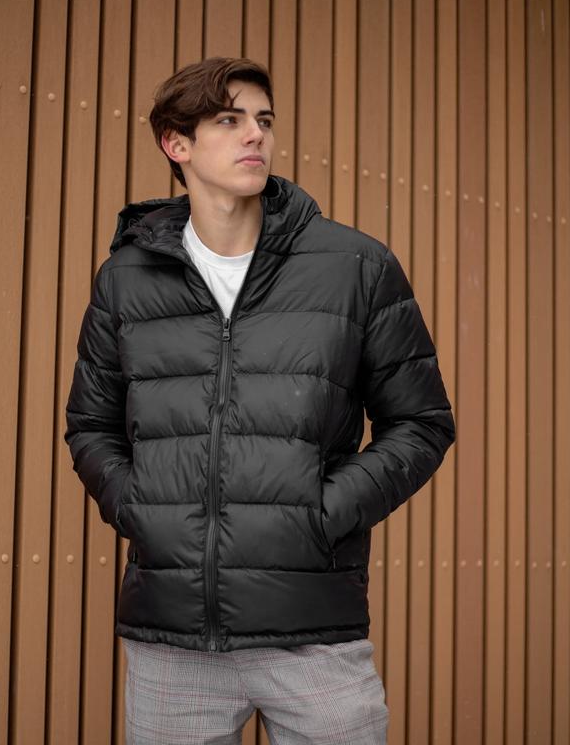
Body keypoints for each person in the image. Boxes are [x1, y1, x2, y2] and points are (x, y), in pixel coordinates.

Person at [64, 56, 456, 745]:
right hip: (174, 640)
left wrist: (321, 514)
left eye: (264, 120)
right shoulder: (126, 278)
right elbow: (91, 425)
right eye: (229, 119)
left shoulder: (355, 268)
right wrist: (139, 509)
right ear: (177, 144)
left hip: (313, 630)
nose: (256, 135)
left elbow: (421, 422)